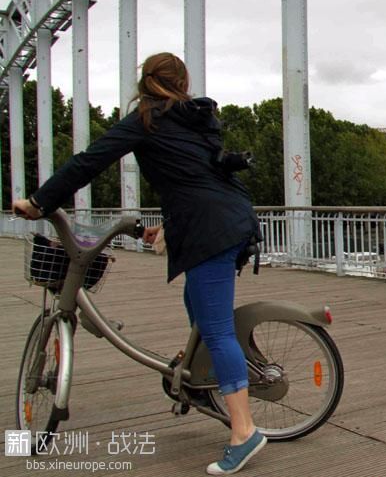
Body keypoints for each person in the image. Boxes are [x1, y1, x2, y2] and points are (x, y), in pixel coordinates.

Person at [12, 52, 266, 475]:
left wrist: (39, 202)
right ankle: (200, 381)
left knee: (218, 330)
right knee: (198, 308)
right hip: (223, 220)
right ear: (182, 82)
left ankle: (245, 431)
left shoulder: (147, 119)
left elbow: (89, 161)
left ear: (145, 83)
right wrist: (167, 226)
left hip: (210, 231)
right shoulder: (194, 120)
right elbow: (190, 179)